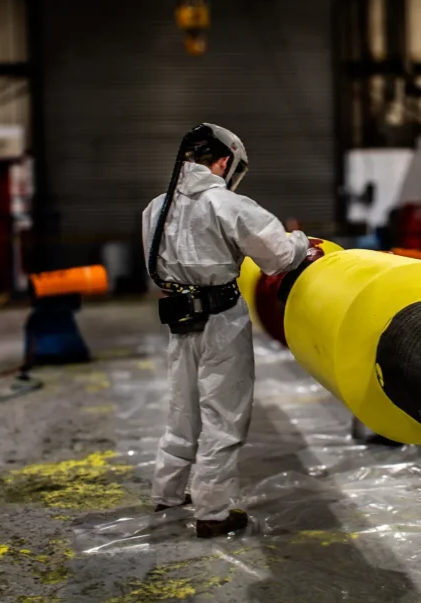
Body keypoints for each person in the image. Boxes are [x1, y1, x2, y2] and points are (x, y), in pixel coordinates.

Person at [141, 123, 321, 538]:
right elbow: (279, 256)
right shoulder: (226, 204)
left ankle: (167, 493)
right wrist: (301, 242)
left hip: (181, 319)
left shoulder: (155, 208)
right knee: (224, 415)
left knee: (181, 410)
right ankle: (213, 512)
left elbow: (157, 269)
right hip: (221, 319)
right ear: (223, 162)